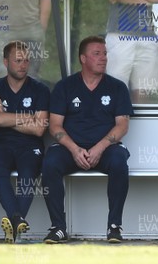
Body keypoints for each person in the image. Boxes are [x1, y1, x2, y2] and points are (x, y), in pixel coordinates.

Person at [41, 36, 133, 244]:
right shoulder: (65, 87)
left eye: (105, 54)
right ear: (83, 58)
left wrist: (99, 148)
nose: (103, 58)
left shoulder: (117, 87)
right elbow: (54, 125)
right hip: (71, 149)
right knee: (50, 162)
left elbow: (122, 125)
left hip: (105, 149)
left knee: (119, 161)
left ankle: (114, 226)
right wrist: (74, 149)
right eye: (97, 54)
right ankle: (58, 227)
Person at [0, 41, 49, 244]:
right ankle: (17, 219)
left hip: (30, 145)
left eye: (26, 60)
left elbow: (39, 128)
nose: (23, 65)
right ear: (6, 62)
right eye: (18, 60)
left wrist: (7, 117)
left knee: (28, 172)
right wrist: (26, 117)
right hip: (0, 144)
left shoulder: (40, 89)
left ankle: (14, 221)